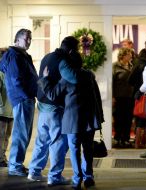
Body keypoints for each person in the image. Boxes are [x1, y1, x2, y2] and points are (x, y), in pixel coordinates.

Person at [38, 56, 104, 190]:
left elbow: (52, 95)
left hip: (73, 120)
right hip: (89, 119)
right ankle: (88, 177)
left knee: (74, 150)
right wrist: (99, 116)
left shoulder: (66, 79)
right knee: (88, 149)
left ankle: (77, 179)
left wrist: (45, 79)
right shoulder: (89, 76)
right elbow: (97, 96)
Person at [27, 36, 84, 186]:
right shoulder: (63, 61)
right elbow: (74, 78)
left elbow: (44, 78)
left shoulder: (47, 56)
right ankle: (54, 176)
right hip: (54, 107)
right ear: (72, 50)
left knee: (42, 140)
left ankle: (34, 171)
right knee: (58, 141)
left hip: (42, 105)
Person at [0, 28, 38, 176]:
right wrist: (27, 95)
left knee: (24, 134)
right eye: (26, 38)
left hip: (25, 98)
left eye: (30, 38)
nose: (29, 41)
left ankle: (17, 164)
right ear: (18, 39)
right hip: (22, 99)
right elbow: (15, 80)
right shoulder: (15, 56)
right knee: (21, 134)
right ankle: (15, 166)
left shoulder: (22, 55)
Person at [112, 47, 134, 148]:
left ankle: (126, 139)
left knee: (128, 118)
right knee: (118, 118)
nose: (130, 56)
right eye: (128, 54)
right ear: (123, 55)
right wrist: (112, 96)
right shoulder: (115, 66)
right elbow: (112, 82)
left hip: (130, 97)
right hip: (119, 97)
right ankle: (117, 138)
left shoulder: (131, 66)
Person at [128, 48, 146, 128]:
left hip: (137, 93)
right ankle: (145, 138)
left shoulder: (137, 65)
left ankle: (138, 139)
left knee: (138, 116)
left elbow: (130, 80)